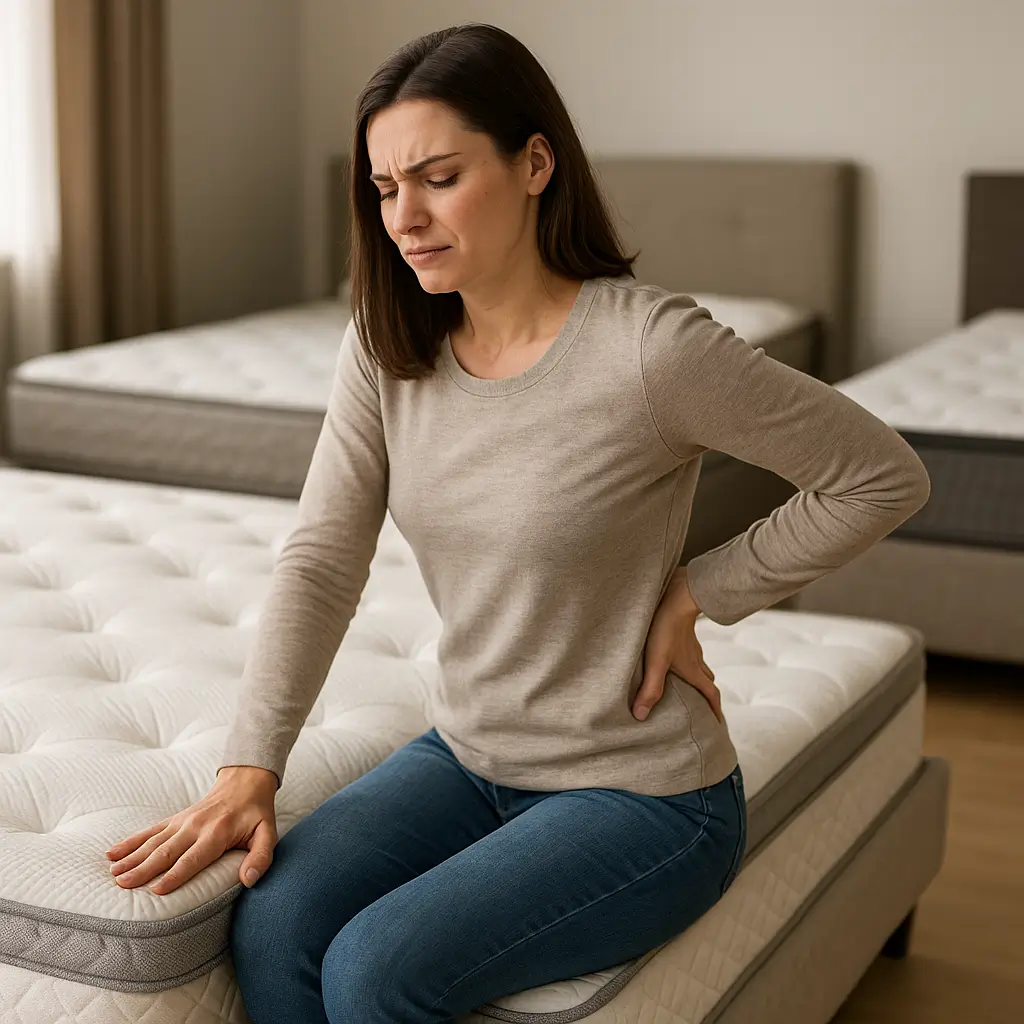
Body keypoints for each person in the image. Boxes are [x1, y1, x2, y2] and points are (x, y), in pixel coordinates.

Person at [104, 22, 931, 1024]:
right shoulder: (385, 344)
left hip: (642, 793)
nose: (403, 216)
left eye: (438, 177)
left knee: (373, 966)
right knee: (275, 924)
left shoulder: (650, 351)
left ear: (535, 163)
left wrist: (701, 590)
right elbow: (322, 559)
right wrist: (250, 767)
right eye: (381, 187)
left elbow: (880, 475)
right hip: (468, 752)